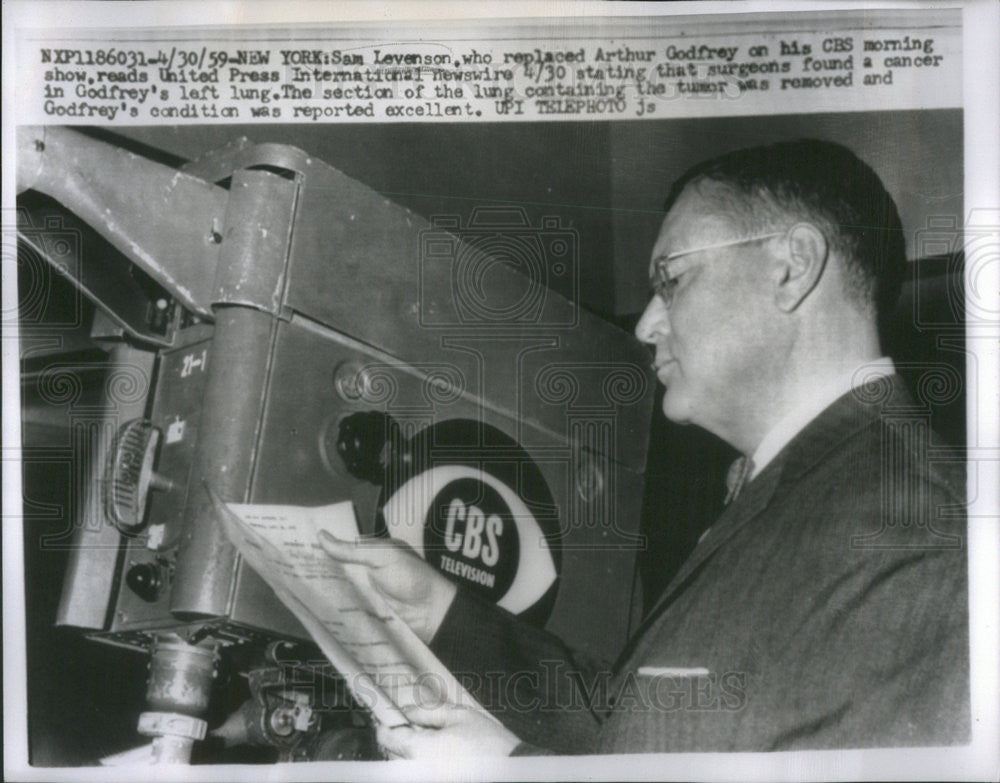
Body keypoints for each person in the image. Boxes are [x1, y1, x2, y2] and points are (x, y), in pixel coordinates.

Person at [318, 139, 969, 756]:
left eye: (672, 280)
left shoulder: (919, 525)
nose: (647, 323)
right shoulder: (821, 484)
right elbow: (638, 718)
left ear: (791, 267)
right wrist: (440, 610)